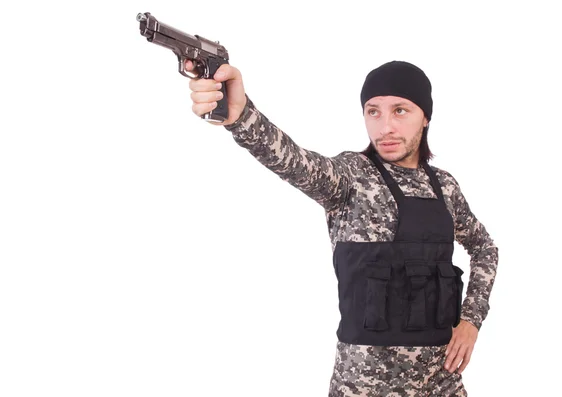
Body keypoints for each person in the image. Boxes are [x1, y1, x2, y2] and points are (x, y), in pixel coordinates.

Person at [185, 59, 499, 396]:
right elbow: (294, 160)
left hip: (442, 385)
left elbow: (484, 248)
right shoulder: (351, 177)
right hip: (362, 388)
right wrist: (241, 115)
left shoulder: (445, 187)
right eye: (373, 111)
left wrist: (471, 320)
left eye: (400, 111)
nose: (385, 127)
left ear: (425, 116)